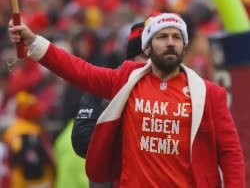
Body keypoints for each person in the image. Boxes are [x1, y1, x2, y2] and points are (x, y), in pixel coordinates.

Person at [9, 12, 245, 188]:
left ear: (185, 47)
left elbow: (231, 153)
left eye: (177, 37)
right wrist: (34, 42)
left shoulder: (209, 93)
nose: (171, 42)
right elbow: (79, 71)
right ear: (148, 48)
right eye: (162, 37)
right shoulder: (126, 80)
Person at [72, 22, 146, 188]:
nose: (151, 64)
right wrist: (134, 148)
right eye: (145, 57)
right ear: (131, 59)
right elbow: (81, 139)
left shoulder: (172, 90)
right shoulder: (105, 86)